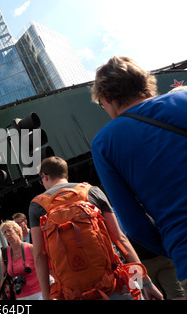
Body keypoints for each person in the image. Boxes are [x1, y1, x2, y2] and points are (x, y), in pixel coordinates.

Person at [91, 56, 187, 290]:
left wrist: (175, 245)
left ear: (107, 99)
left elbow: (133, 226)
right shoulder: (183, 98)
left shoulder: (104, 143)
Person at [28, 156, 163, 300]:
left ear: (45, 176)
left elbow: (39, 255)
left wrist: (46, 296)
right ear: (65, 174)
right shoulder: (92, 191)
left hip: (74, 293)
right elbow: (120, 238)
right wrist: (147, 283)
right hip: (114, 284)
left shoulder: (37, 206)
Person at [0, 220, 42, 300]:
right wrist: (2, 295)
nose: (7, 234)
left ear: (17, 231)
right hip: (19, 295)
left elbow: (44, 268)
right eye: (5, 232)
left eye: (9, 230)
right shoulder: (5, 253)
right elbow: (4, 276)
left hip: (39, 292)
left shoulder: (31, 248)